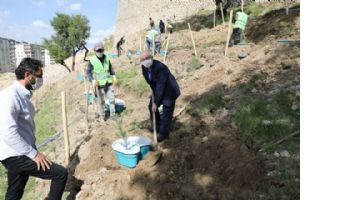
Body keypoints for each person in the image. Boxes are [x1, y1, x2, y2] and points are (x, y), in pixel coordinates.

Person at [0, 58, 68, 200]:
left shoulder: (23, 95)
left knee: (15, 190)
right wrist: (34, 154)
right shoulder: (10, 96)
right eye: (39, 76)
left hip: (20, 151)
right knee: (60, 174)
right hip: (15, 154)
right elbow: (8, 133)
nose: (40, 80)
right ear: (27, 75)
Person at [139, 51, 180, 142]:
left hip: (169, 91)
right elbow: (152, 83)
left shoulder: (160, 67)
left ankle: (163, 134)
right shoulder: (144, 68)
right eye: (143, 59)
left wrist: (156, 102)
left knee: (167, 111)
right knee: (151, 107)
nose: (145, 61)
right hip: (158, 90)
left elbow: (161, 85)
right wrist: (154, 101)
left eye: (147, 58)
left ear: (151, 57)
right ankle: (157, 126)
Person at [87, 41, 117, 121]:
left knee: (112, 99)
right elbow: (88, 72)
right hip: (99, 85)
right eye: (98, 51)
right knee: (101, 102)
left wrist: (113, 75)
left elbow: (110, 68)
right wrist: (92, 80)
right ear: (95, 51)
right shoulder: (92, 60)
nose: (100, 52)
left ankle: (113, 115)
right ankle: (102, 116)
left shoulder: (107, 57)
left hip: (108, 83)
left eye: (101, 50)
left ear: (103, 50)